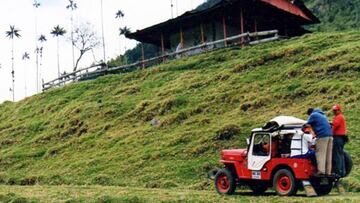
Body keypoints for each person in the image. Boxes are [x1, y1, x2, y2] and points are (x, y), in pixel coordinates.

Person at [306, 108, 333, 176]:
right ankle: (328, 172)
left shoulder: (313, 115)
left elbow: (307, 124)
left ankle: (321, 172)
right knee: (328, 155)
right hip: (330, 136)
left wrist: (303, 128)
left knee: (320, 154)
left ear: (310, 113)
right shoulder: (323, 115)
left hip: (322, 136)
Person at [332, 104, 348, 177]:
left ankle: (338, 172)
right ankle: (342, 172)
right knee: (340, 154)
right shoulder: (340, 117)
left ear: (339, 110)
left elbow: (334, 127)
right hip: (341, 138)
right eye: (334, 110)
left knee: (337, 155)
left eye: (335, 110)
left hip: (338, 137)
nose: (334, 112)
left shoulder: (338, 117)